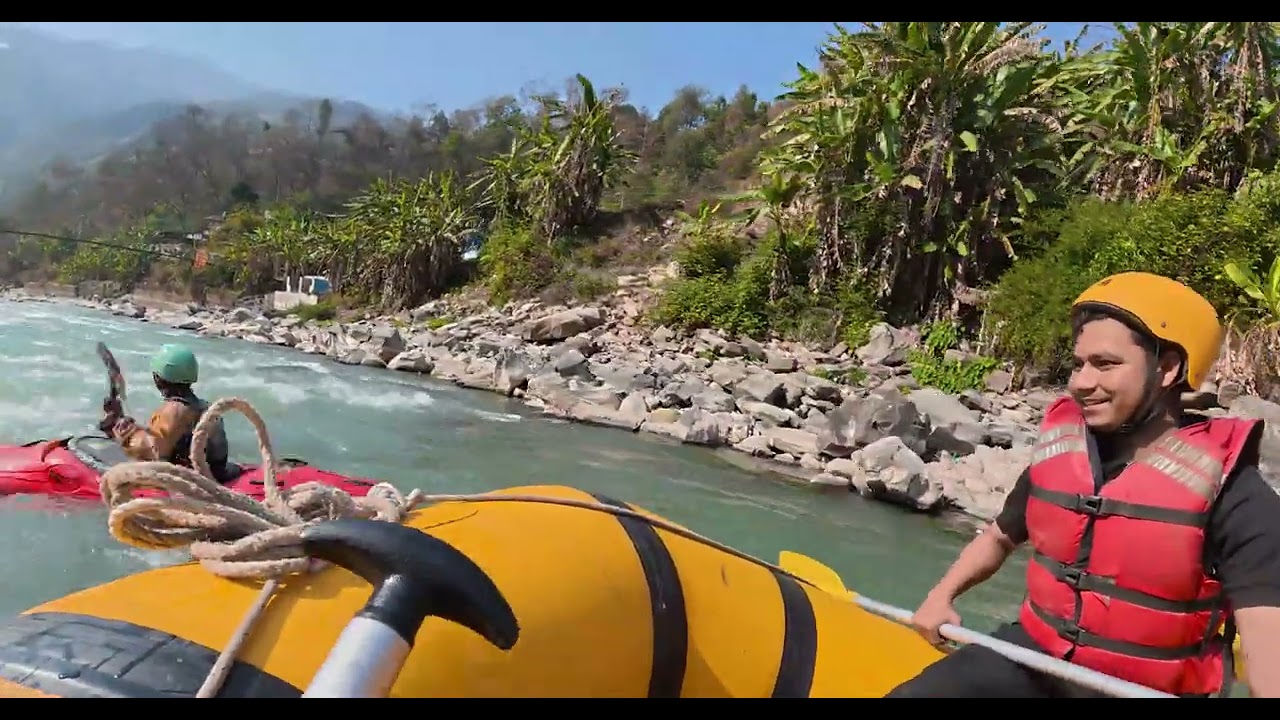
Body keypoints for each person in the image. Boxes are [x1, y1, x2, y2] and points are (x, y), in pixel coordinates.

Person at [885, 271, 1280, 699]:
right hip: (1037, 658)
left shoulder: (1238, 497)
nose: (1080, 383)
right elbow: (999, 536)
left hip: (1143, 691)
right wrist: (941, 595)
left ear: (1167, 368)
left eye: (1105, 364)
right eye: (1078, 364)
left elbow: (1268, 661)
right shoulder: (1064, 453)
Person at [98, 343, 236, 483]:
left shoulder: (173, 411)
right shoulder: (205, 407)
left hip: (196, 482)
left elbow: (153, 454)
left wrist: (118, 430)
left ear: (157, 378)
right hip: (219, 474)